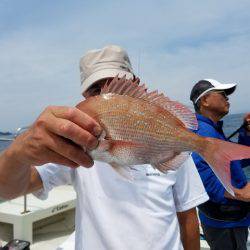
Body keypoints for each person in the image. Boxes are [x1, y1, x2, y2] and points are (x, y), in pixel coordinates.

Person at [0, 45, 208, 250]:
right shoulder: (72, 147)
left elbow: (188, 216)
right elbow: (7, 188)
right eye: (96, 91)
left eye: (119, 85)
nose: (108, 97)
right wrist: (18, 153)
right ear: (85, 97)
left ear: (135, 86)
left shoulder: (172, 142)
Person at [190, 79, 250, 250]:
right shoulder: (201, 132)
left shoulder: (213, 129)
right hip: (225, 223)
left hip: (232, 220)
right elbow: (202, 178)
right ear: (205, 101)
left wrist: (246, 133)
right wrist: (240, 193)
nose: (227, 99)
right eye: (222, 95)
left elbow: (234, 162)